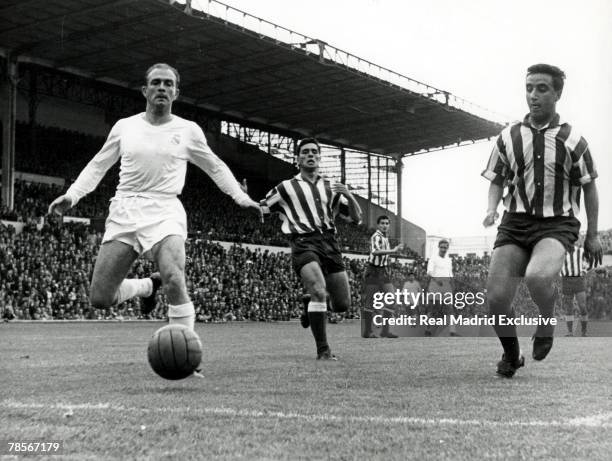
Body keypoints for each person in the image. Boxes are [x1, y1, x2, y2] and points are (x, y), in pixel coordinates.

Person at [48, 63, 259, 346]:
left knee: (174, 276)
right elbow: (99, 165)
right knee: (101, 297)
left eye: (169, 84)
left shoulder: (188, 130)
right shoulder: (125, 126)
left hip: (165, 209)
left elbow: (216, 167)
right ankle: (148, 286)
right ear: (145, 90)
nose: (163, 87)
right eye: (157, 82)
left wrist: (241, 198)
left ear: (176, 93)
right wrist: (72, 196)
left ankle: (187, 354)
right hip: (125, 207)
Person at [482, 63, 602, 378]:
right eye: (529, 88)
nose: (533, 95)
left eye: (542, 89)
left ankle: (547, 319)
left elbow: (590, 186)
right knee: (495, 298)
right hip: (515, 223)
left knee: (537, 277)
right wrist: (491, 208)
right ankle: (511, 354)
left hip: (556, 224)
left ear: (557, 94)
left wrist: (592, 235)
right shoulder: (508, 136)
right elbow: (496, 178)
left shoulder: (573, 140)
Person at [260, 138, 362, 360]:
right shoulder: (286, 187)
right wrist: (243, 198)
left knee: (342, 305)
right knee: (318, 290)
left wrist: (349, 195)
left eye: (314, 152)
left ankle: (309, 303)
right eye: (305, 152)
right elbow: (262, 209)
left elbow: (357, 219)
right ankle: (323, 351)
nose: (310, 155)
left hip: (330, 243)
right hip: (303, 242)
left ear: (319, 158)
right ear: (297, 159)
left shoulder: (331, 187)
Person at [362, 215, 403, 338]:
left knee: (391, 299)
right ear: (378, 225)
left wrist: (387, 267)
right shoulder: (376, 236)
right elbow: (375, 251)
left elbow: (384, 256)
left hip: (383, 271)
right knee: (370, 301)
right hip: (373, 270)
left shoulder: (385, 238)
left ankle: (385, 330)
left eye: (387, 223)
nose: (385, 225)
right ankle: (367, 331)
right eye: (382, 223)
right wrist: (393, 250)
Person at [424, 239, 457, 336]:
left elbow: (450, 274)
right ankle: (428, 329)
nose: (443, 249)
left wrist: (453, 284)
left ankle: (452, 330)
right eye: (442, 247)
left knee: (450, 308)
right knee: (432, 309)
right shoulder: (433, 258)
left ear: (447, 248)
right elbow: (429, 272)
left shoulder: (448, 260)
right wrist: (436, 280)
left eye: (445, 247)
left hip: (446, 286)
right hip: (435, 286)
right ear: (439, 247)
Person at [561, 246, 589, 337]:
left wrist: (584, 270)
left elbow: (588, 262)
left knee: (582, 306)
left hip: (579, 280)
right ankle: (570, 332)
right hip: (566, 280)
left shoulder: (581, 251)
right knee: (569, 306)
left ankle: (584, 331)